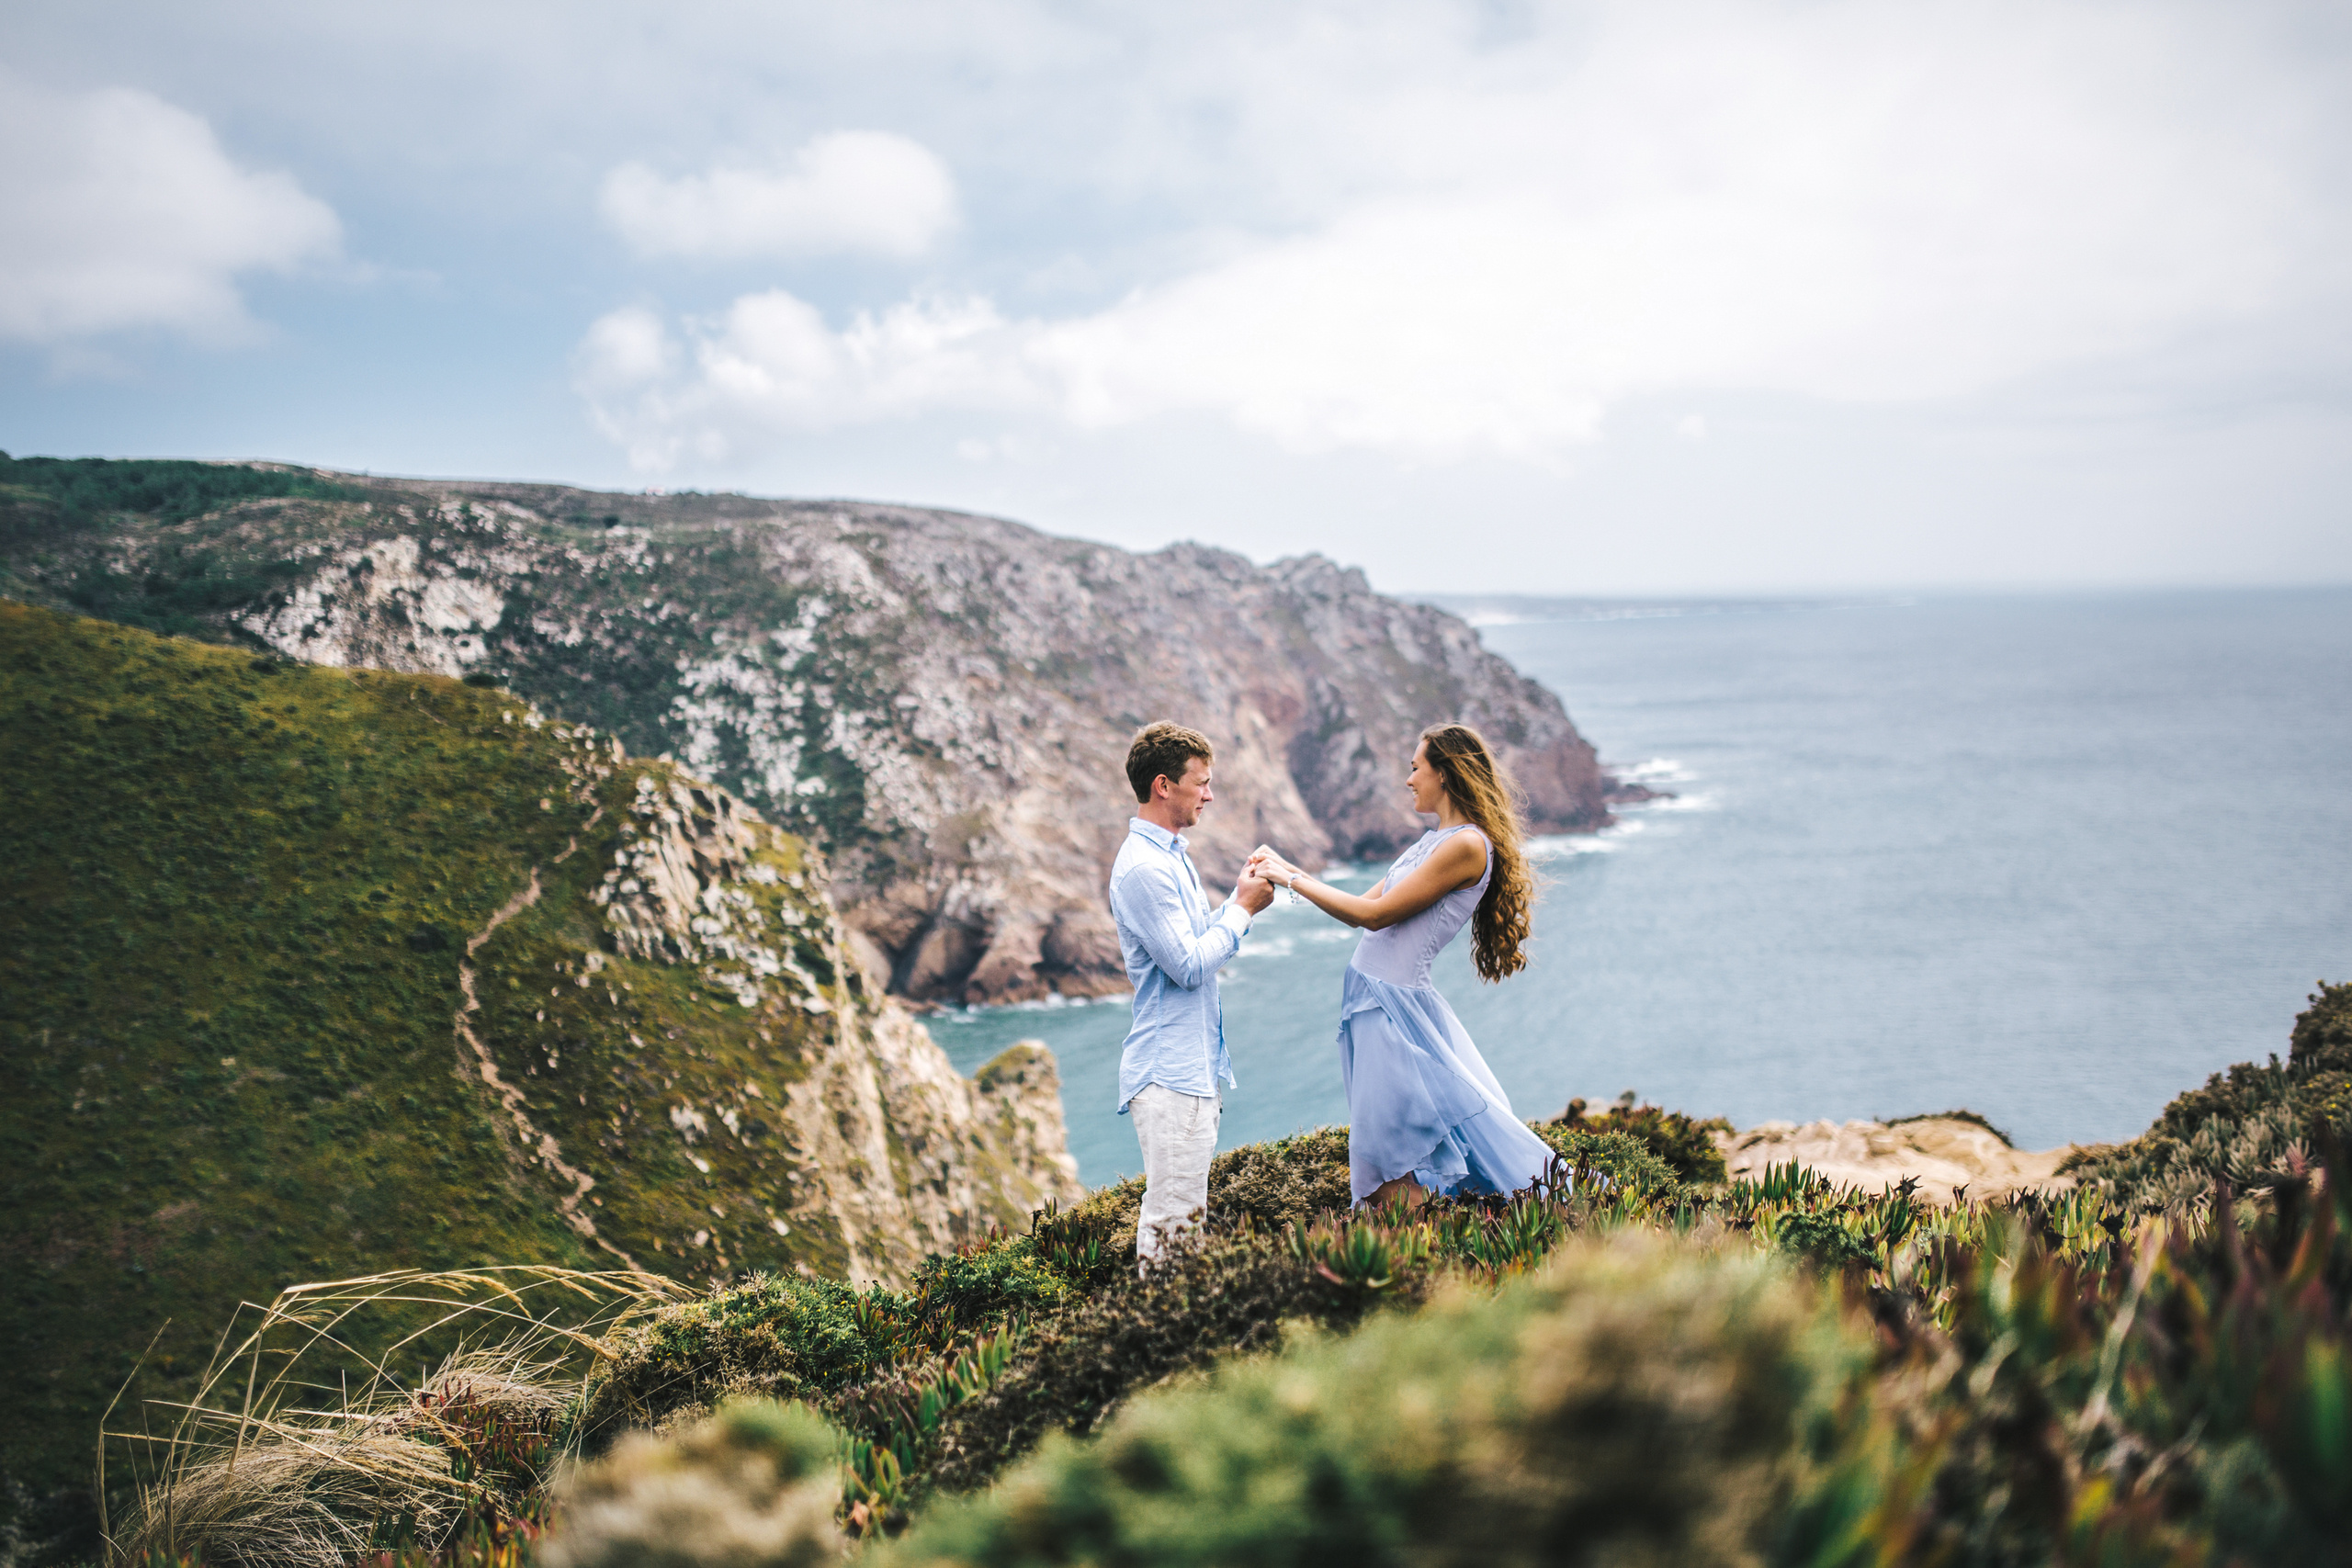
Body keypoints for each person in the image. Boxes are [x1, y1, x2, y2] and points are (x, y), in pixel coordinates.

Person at [1248, 723, 1554, 1208]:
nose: (1409, 780)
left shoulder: (1466, 845)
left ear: (1446, 774)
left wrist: (1289, 879)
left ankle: (1426, 1265)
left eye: (1416, 768)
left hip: (1392, 1010)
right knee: (1385, 1154)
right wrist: (1287, 869)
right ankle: (1428, 1258)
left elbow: (1375, 915)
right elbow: (1360, 909)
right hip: (1371, 1003)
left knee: (1389, 1160)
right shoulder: (1433, 840)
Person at [1108, 720, 1275, 1270]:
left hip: (1189, 1068)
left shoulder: (1171, 853)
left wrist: (1234, 898)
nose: (1209, 793)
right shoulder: (1143, 868)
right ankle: (1163, 1345)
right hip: (1170, 1072)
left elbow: (1193, 937)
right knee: (1174, 1224)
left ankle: (1169, 1337)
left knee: (1184, 1217)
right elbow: (1186, 966)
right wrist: (1243, 910)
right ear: (1164, 785)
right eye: (1200, 782)